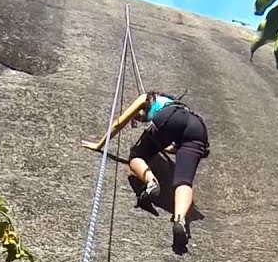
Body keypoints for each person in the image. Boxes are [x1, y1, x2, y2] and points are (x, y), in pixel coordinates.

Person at [82, 91, 210, 249]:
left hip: (169, 118)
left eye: (139, 116)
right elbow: (173, 146)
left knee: (136, 155)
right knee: (184, 181)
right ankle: (180, 220)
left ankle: (151, 182)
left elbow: (119, 123)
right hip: (198, 128)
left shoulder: (146, 97)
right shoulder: (178, 106)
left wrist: (99, 145)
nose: (138, 118)